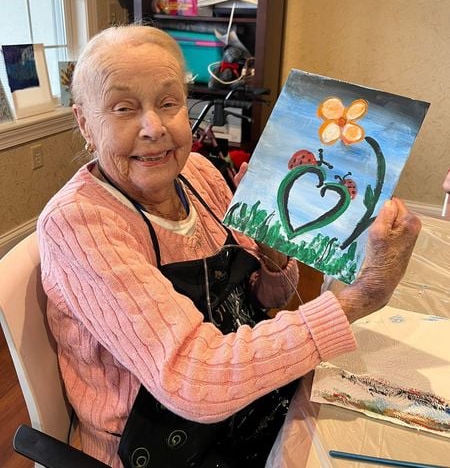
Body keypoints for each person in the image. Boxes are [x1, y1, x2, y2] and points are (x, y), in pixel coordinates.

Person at [37, 25, 421, 468]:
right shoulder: (79, 224)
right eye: (124, 108)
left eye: (168, 103)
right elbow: (193, 380)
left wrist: (273, 250)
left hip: (247, 409)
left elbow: (262, 300)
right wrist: (361, 296)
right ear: (84, 122)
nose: (154, 128)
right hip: (160, 447)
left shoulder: (198, 173)